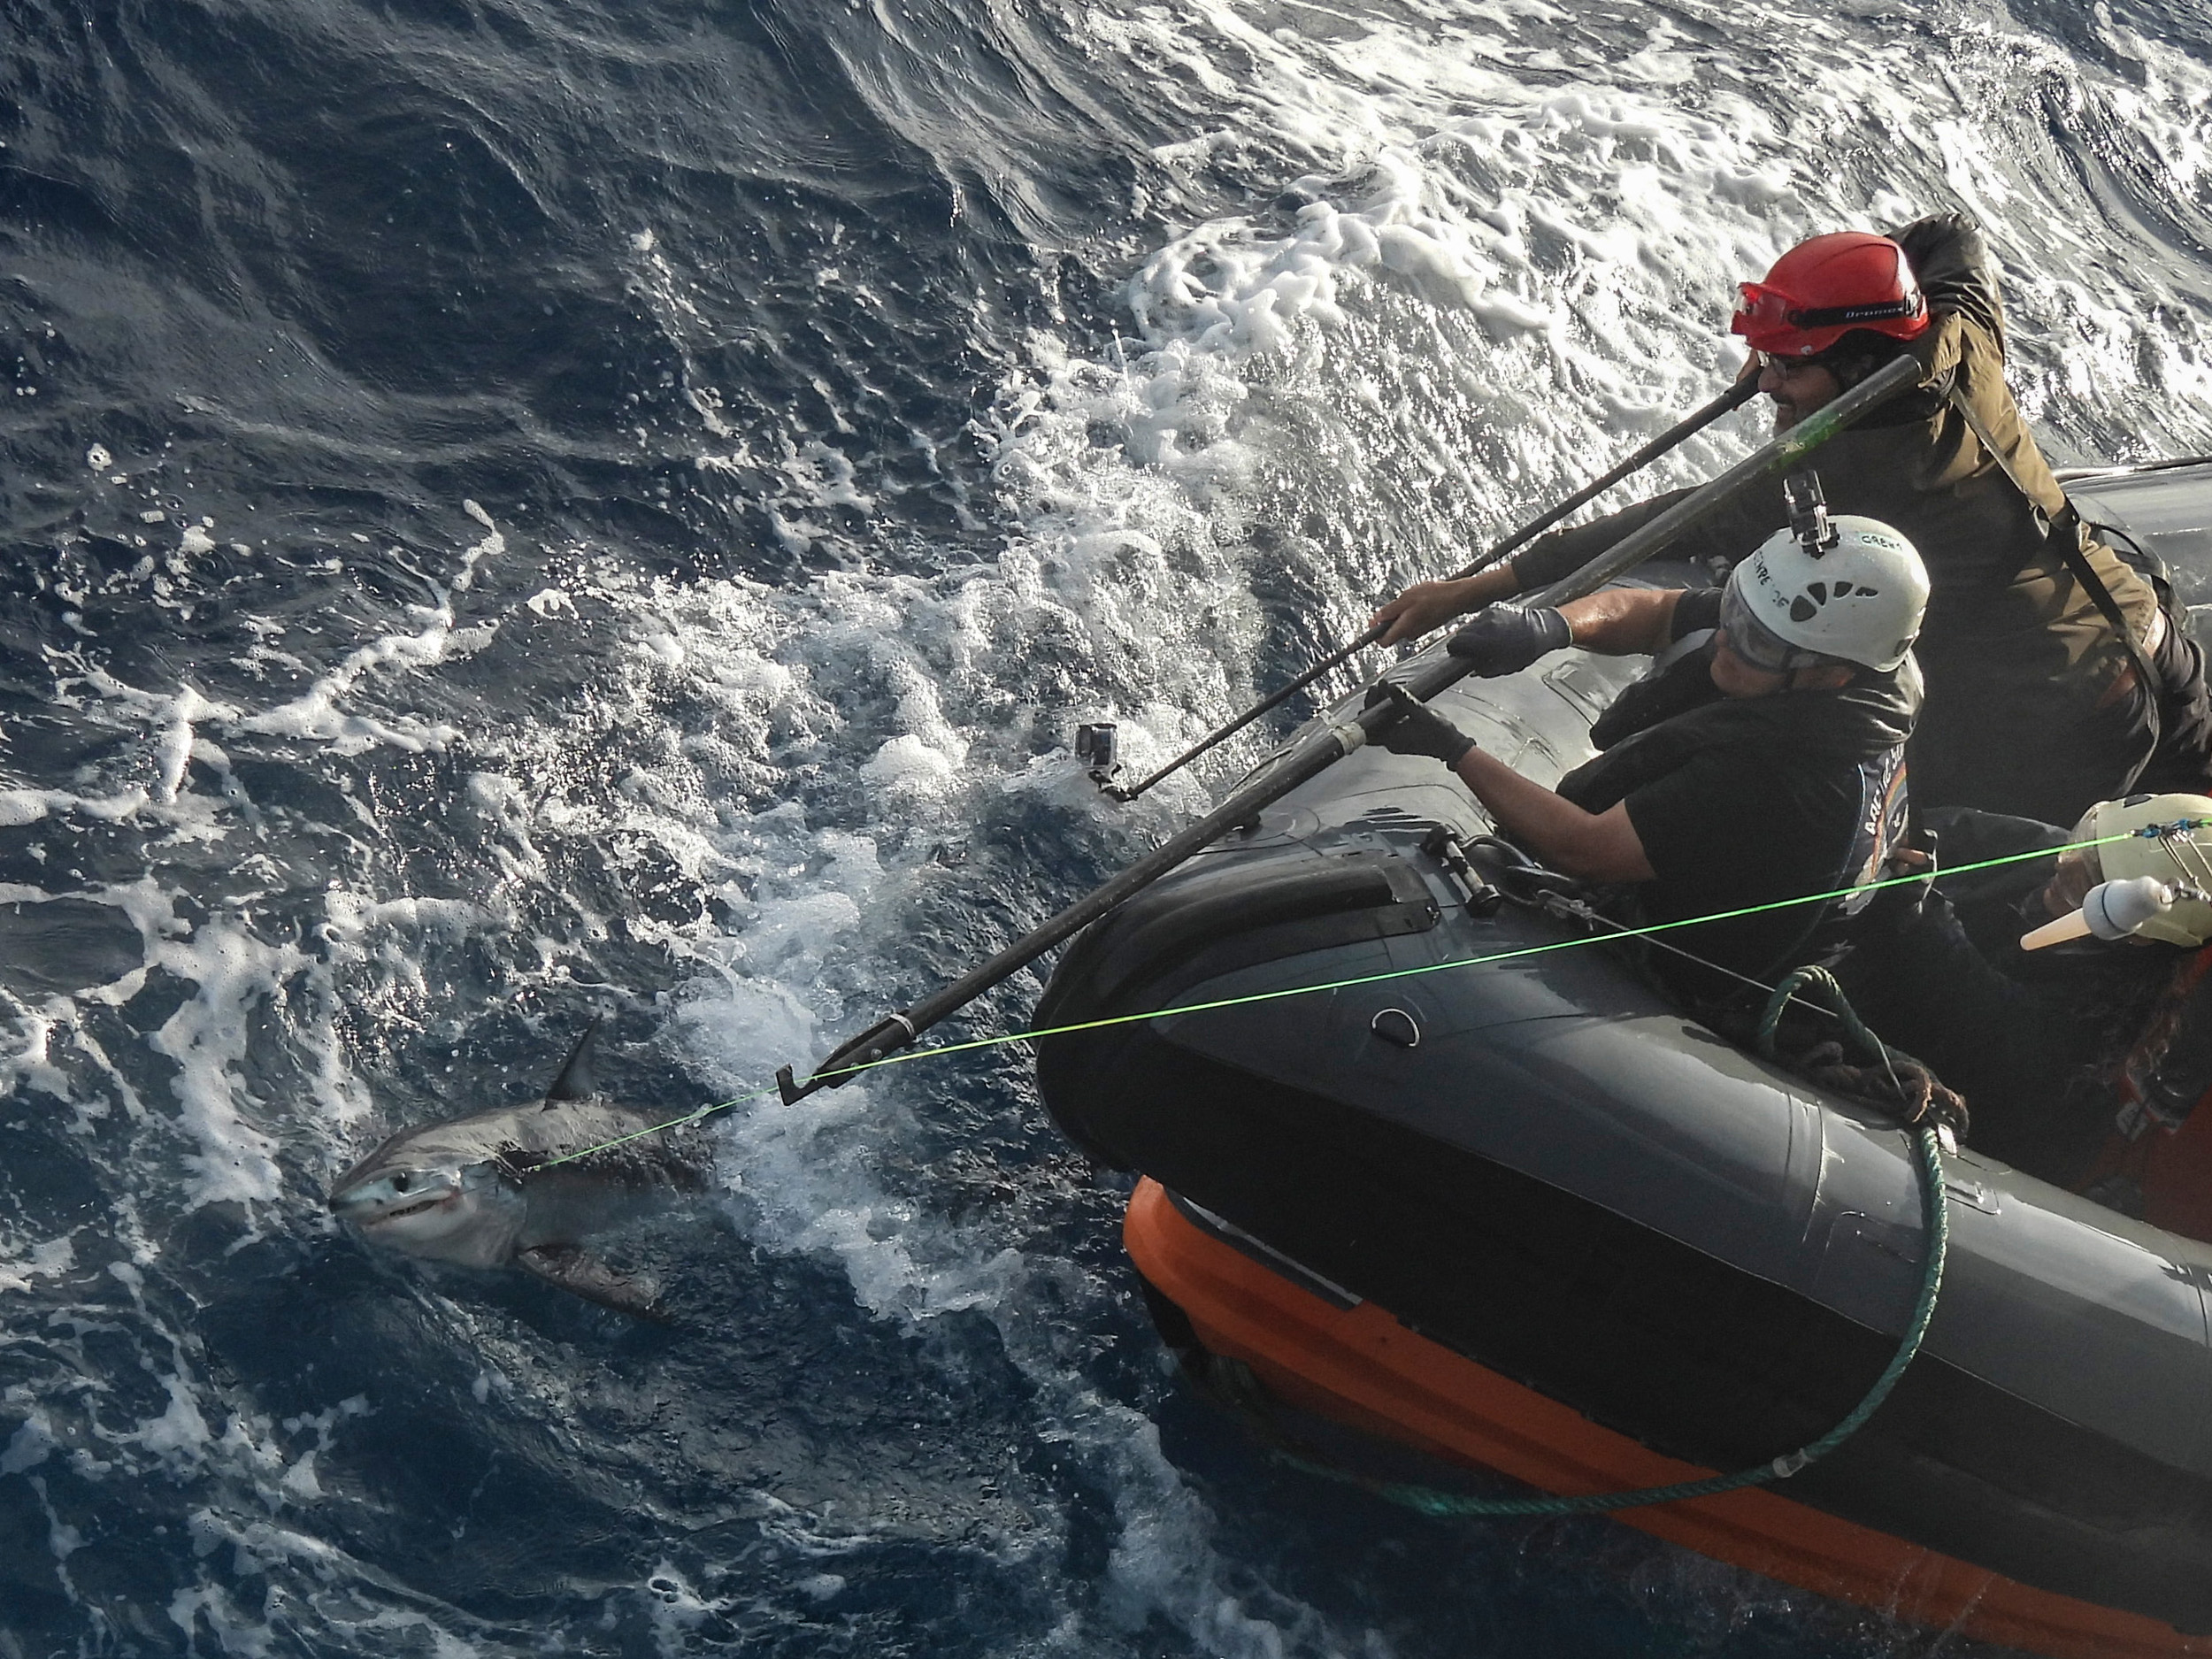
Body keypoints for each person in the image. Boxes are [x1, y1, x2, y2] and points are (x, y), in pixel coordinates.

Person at [1372, 216, 2212, 828]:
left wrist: (1477, 587)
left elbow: (1676, 522)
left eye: (1790, 371)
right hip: (2145, 634)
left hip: (2056, 712)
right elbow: (1947, 233)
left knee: (1978, 883)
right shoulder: (1958, 334)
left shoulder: (1860, 468)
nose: (1770, 385)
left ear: (1859, 365)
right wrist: (1802, 333)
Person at [1376, 506, 1926, 1003]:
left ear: (1830, 674)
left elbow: (1583, 848)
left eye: (1755, 642)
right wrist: (1555, 627)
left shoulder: (1786, 776)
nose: (1725, 638)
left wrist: (1453, 749)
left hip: (1682, 982)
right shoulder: (1843, 662)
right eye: (1734, 610)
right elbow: (1665, 612)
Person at [1836, 795, 2212, 1189]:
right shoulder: (2054, 854)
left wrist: (1919, 909)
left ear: (2139, 938)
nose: (2065, 865)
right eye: (2087, 842)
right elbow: (1953, 829)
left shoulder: (2099, 1029)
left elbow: (1983, 1013)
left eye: (2092, 876)